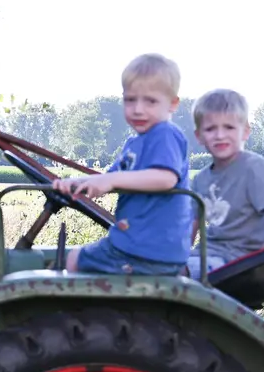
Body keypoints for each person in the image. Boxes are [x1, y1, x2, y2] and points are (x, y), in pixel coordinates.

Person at [52, 53, 193, 276]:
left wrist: (112, 180)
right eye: (130, 100)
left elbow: (166, 179)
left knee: (75, 259)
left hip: (146, 249)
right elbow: (108, 179)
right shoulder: (134, 143)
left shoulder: (165, 134)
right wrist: (75, 183)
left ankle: (83, 312)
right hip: (140, 246)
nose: (138, 109)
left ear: (172, 104)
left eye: (150, 101)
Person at [185, 88, 264, 278]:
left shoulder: (253, 168)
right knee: (150, 269)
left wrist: (255, 262)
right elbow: (191, 228)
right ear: (199, 136)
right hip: (206, 257)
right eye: (211, 129)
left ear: (245, 132)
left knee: (174, 274)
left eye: (229, 127)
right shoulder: (201, 179)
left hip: (237, 262)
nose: (220, 135)